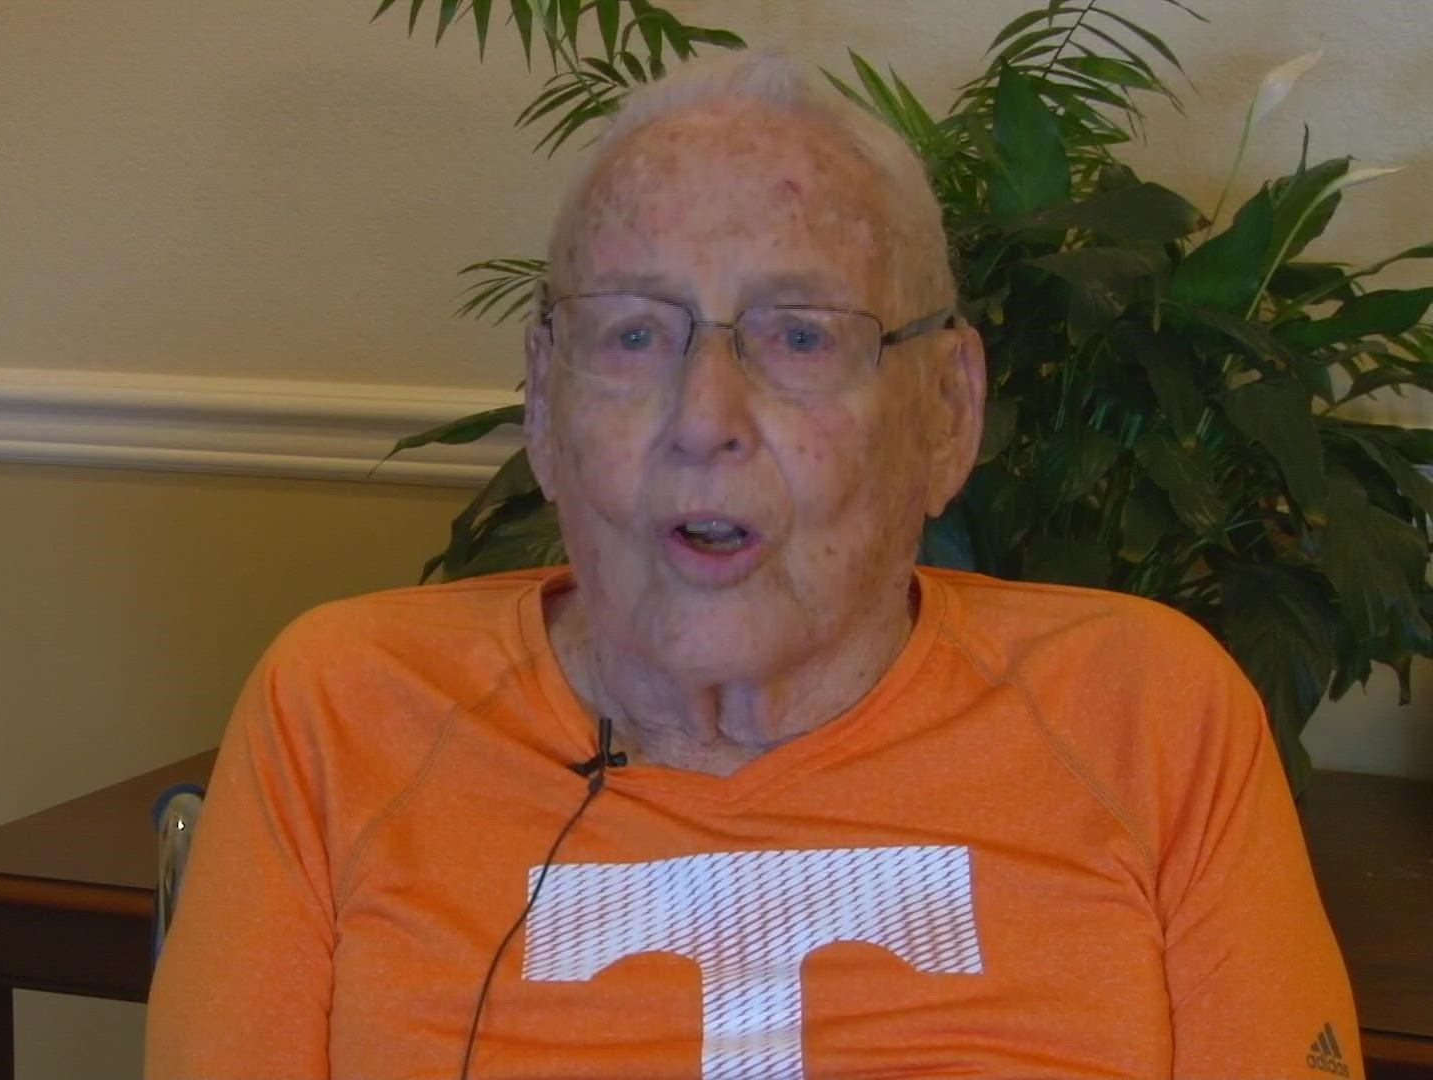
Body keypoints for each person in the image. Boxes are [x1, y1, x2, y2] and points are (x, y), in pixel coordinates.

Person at [144, 48, 1361, 1080]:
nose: (705, 414)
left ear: (945, 413)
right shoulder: (342, 714)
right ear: (544, 408)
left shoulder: (1151, 718)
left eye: (798, 335)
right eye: (633, 333)